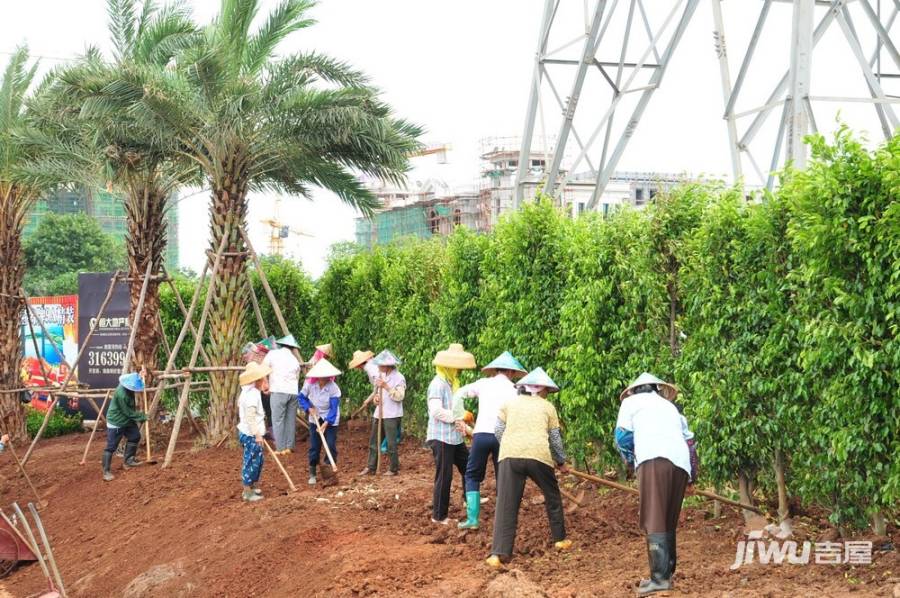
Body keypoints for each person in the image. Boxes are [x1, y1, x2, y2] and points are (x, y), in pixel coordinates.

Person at [614, 373, 697, 596]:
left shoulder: (631, 403)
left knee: (654, 518)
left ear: (633, 391)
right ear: (658, 389)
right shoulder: (671, 408)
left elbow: (621, 437)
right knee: (667, 519)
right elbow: (690, 442)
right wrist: (692, 477)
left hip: (653, 460)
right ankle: (667, 573)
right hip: (680, 464)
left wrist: (631, 461)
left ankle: (659, 579)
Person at [486, 367, 571, 568]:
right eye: (546, 392)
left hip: (509, 455)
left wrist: (510, 443)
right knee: (552, 496)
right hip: (538, 455)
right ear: (541, 390)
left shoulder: (509, 403)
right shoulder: (547, 407)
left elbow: (498, 430)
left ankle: (498, 554)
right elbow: (555, 439)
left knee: (506, 503)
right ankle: (559, 539)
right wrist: (561, 462)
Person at [453, 351, 527, 530]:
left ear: (496, 370)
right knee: (504, 475)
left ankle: (472, 519)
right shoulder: (515, 390)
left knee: (472, 475)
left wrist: (459, 416)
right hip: (503, 436)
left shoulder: (484, 384)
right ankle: (503, 520)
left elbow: (459, 394)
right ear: (511, 372)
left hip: (482, 435)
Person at [427, 343, 475, 525]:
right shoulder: (437, 385)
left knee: (469, 467)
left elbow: (454, 412)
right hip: (440, 437)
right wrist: (460, 416)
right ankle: (439, 516)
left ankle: (467, 499)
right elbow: (436, 411)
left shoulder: (451, 384)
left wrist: (464, 426)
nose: (459, 371)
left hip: (454, 437)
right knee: (444, 475)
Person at [360, 350, 406, 476]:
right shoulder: (381, 375)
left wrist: (386, 386)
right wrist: (376, 399)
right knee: (374, 442)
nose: (378, 367)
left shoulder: (399, 378)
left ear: (387, 365)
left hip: (392, 414)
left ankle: (393, 468)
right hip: (379, 413)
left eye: (381, 365)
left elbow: (400, 396)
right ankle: (371, 467)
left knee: (391, 443)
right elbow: (377, 394)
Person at [298, 358, 342, 485]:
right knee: (314, 446)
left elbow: (334, 408)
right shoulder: (310, 384)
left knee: (330, 444)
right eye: (321, 376)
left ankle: (329, 471)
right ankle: (312, 472)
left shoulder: (333, 388)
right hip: (315, 417)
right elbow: (301, 398)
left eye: (326, 376)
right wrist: (308, 408)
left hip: (330, 419)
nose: (324, 378)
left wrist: (325, 424)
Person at [103, 372, 148, 481]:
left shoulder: (129, 385)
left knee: (135, 436)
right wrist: (142, 416)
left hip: (127, 420)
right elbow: (127, 412)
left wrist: (141, 375)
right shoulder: (121, 395)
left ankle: (129, 460)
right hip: (117, 421)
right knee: (111, 447)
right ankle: (106, 472)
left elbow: (136, 378)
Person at [262, 335, 303, 455]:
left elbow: (263, 369)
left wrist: (266, 384)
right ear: (292, 347)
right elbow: (296, 377)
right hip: (293, 392)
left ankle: (280, 448)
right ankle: (289, 447)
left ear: (281, 345)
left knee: (278, 420)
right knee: (290, 420)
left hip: (279, 390)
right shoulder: (295, 360)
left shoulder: (273, 354)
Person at [237, 361, 272, 502]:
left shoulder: (251, 392)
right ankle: (247, 491)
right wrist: (257, 435)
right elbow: (250, 417)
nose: (264, 380)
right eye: (262, 378)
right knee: (251, 461)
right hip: (251, 434)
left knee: (258, 459)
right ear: (256, 380)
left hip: (252, 433)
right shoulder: (251, 395)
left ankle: (251, 486)